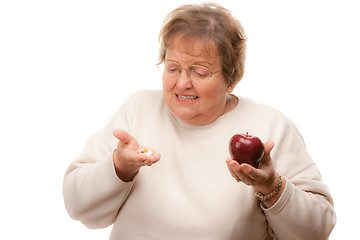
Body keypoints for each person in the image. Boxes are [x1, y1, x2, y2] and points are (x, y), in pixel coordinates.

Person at [63, 3, 336, 240]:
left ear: (232, 80)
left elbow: (317, 230)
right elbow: (77, 206)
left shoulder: (270, 126)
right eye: (172, 68)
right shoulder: (139, 108)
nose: (182, 83)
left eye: (200, 72)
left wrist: (271, 186)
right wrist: (118, 166)